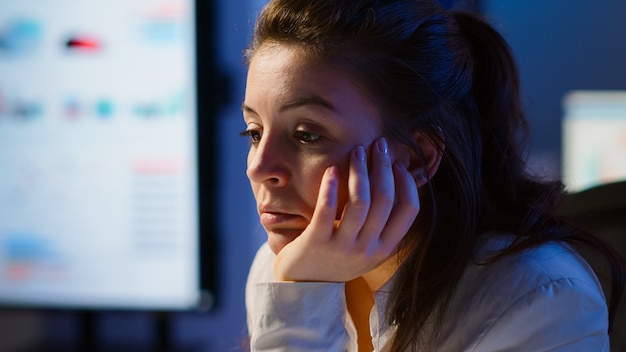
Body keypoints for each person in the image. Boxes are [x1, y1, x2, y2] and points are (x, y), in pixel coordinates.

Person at [241, 0, 625, 351]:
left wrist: (300, 303)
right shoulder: (289, 267)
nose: (259, 167)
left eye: (307, 135)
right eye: (254, 133)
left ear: (416, 158)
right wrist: (301, 292)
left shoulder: (543, 299)